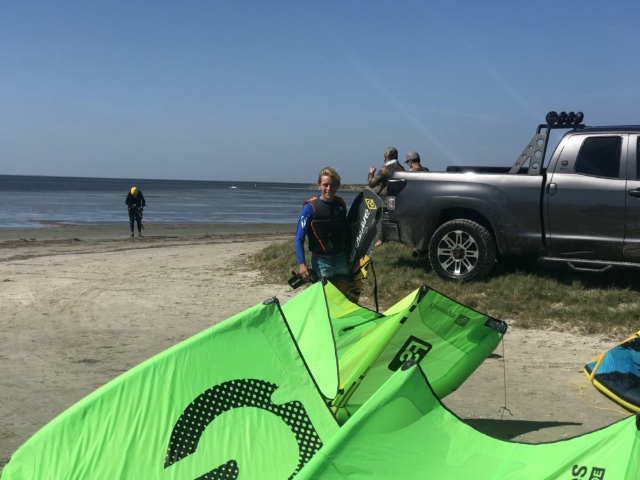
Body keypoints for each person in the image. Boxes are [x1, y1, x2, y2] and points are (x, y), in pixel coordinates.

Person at [294, 167, 351, 295]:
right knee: (324, 301)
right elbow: (299, 238)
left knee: (343, 299)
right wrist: (302, 264)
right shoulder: (309, 208)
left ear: (337, 186)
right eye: (325, 185)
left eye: (332, 185)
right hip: (321, 263)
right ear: (319, 185)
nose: (329, 189)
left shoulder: (341, 204)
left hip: (341, 260)